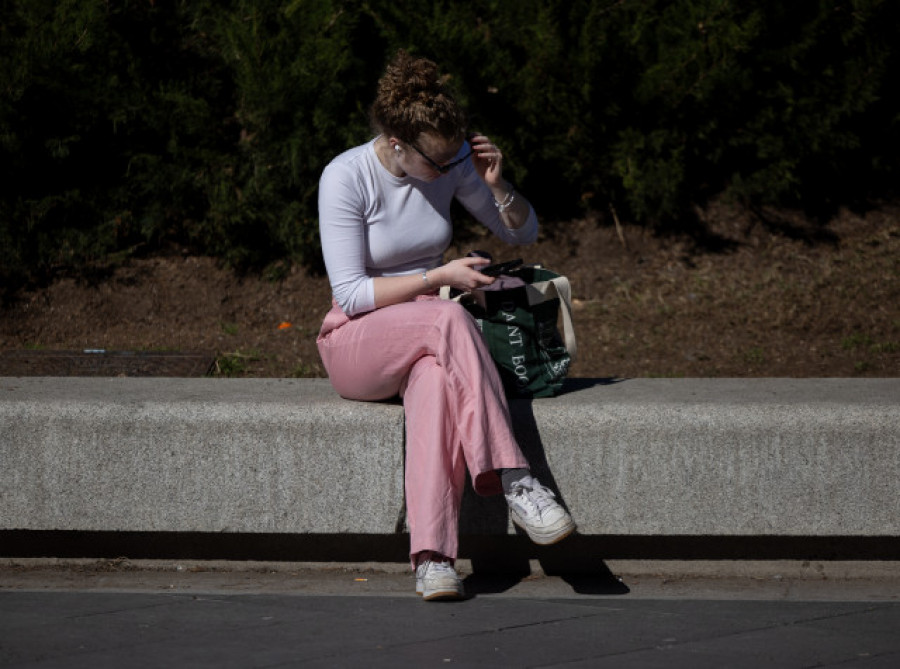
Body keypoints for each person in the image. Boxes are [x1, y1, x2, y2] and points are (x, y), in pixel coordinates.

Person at [316, 50, 575, 601]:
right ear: (395, 145)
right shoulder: (345, 176)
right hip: (356, 343)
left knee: (435, 381)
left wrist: (496, 185)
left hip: (432, 336)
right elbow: (352, 294)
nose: (446, 170)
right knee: (446, 314)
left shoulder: (449, 166)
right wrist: (438, 275)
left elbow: (522, 234)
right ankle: (516, 479)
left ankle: (432, 558)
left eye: (453, 159)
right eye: (437, 162)